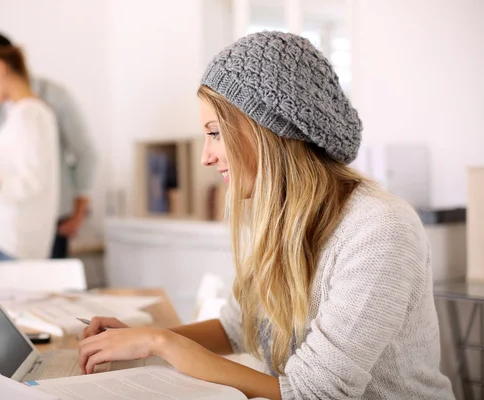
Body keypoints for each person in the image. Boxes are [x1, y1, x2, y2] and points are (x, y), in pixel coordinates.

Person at [77, 32, 454, 399]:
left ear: (269, 132)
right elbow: (236, 328)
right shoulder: (281, 217)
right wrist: (140, 340)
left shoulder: (380, 231)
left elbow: (313, 394)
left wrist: (160, 341)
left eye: (215, 133)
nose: (206, 156)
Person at [0, 32, 95, 259]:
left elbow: (30, 182)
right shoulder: (17, 110)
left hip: (18, 235)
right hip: (7, 229)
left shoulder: (31, 114)